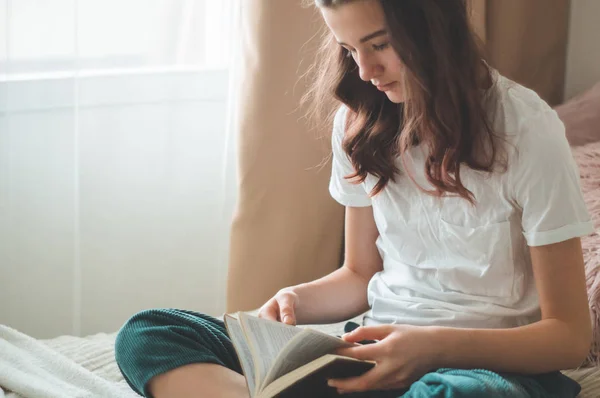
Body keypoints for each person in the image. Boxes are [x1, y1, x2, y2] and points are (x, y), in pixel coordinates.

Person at [114, 1, 595, 397]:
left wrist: (431, 347)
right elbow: (361, 274)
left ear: (437, 26)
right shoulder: (358, 124)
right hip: (370, 349)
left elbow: (568, 336)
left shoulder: (527, 130)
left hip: (478, 368)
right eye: (348, 49)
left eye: (380, 45)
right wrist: (296, 300)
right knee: (150, 333)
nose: (365, 72)